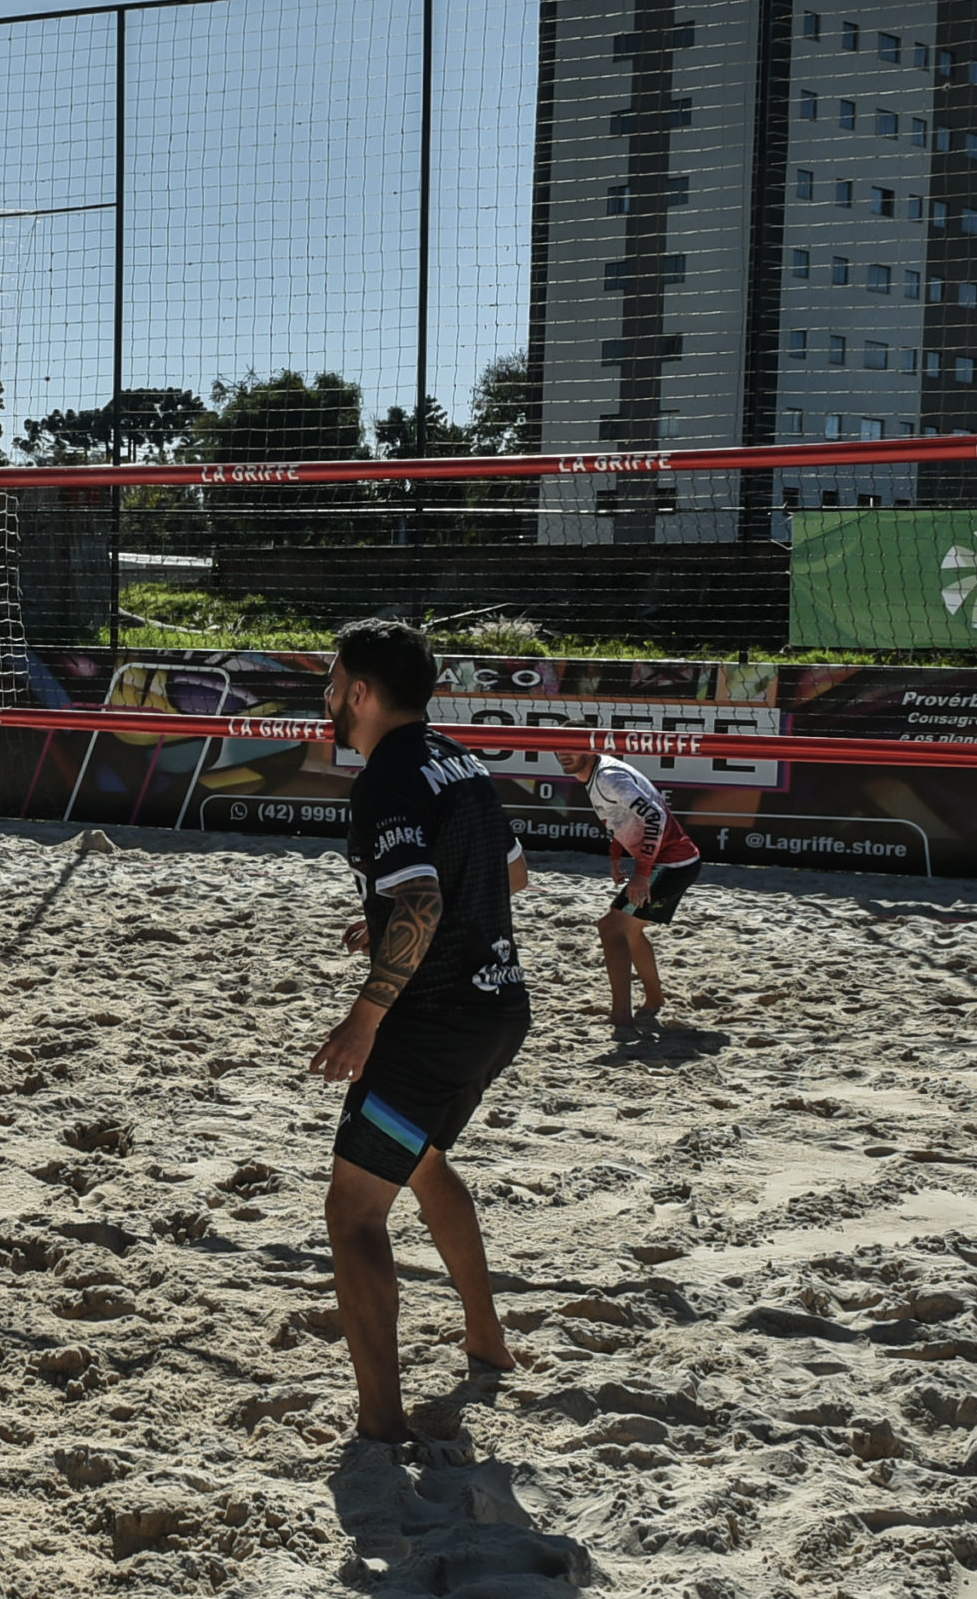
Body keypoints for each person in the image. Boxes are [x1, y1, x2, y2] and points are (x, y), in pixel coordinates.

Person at [308, 618, 531, 1445]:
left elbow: (423, 900)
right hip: (499, 1006)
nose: (327, 699)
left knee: (354, 1213)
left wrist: (365, 1017)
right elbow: (510, 874)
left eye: (332, 684)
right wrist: (400, 918)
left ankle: (380, 1426)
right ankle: (486, 1339)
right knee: (426, 1163)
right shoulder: (458, 758)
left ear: (362, 693)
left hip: (434, 1022)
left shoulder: (388, 776)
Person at [554, 749, 702, 1036]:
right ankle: (654, 999)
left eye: (571, 747)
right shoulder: (598, 772)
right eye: (559, 747)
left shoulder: (609, 777)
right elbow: (621, 818)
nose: (563, 753)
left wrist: (643, 872)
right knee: (630, 930)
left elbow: (655, 816)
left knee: (611, 928)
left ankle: (621, 1017)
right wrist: (616, 854)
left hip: (671, 864)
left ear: (590, 749)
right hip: (674, 861)